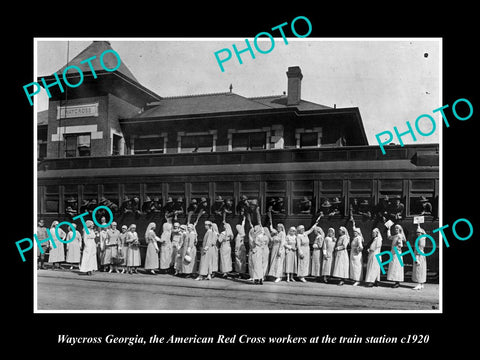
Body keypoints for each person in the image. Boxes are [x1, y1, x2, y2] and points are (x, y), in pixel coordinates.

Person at [386, 224, 406, 288]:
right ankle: (396, 280)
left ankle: (397, 282)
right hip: (394, 252)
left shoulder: (399, 236)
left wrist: (397, 248)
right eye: (395, 229)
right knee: (394, 266)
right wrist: (389, 229)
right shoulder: (395, 236)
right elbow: (389, 237)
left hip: (397, 253)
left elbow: (400, 245)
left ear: (400, 230)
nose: (396, 230)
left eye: (397, 229)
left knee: (397, 266)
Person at [349, 222, 364, 286]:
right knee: (354, 267)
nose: (354, 233)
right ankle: (355, 279)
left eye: (355, 232)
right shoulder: (355, 238)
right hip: (353, 254)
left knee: (357, 267)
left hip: (356, 255)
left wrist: (357, 250)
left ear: (358, 233)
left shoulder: (358, 238)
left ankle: (358, 280)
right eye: (354, 232)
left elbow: (361, 246)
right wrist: (353, 224)